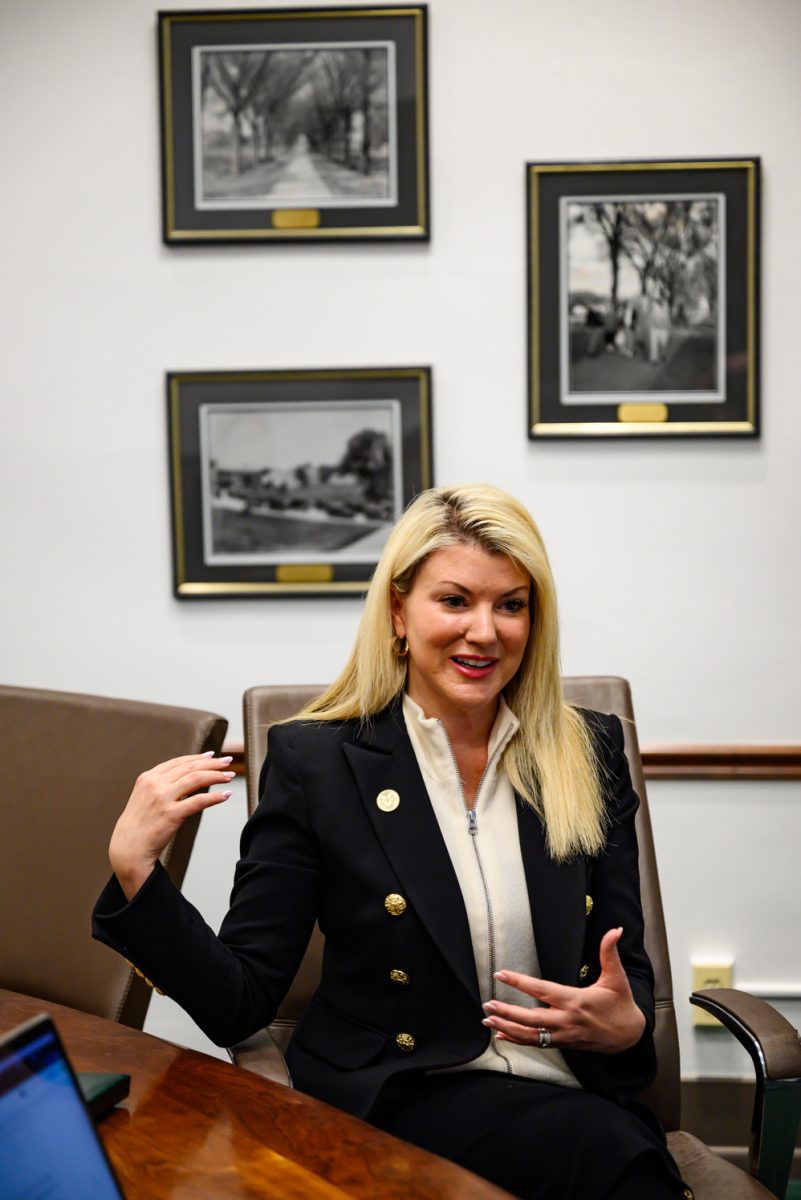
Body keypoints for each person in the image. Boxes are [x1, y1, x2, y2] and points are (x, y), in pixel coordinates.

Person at [93, 484, 690, 1200]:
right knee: (613, 1164)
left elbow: (624, 979)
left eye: (510, 605)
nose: (484, 631)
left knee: (609, 1152)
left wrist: (622, 1027)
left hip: (575, 1090)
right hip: (406, 1092)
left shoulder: (585, 752)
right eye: (454, 600)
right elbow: (239, 1002)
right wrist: (136, 869)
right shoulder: (318, 763)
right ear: (398, 612)